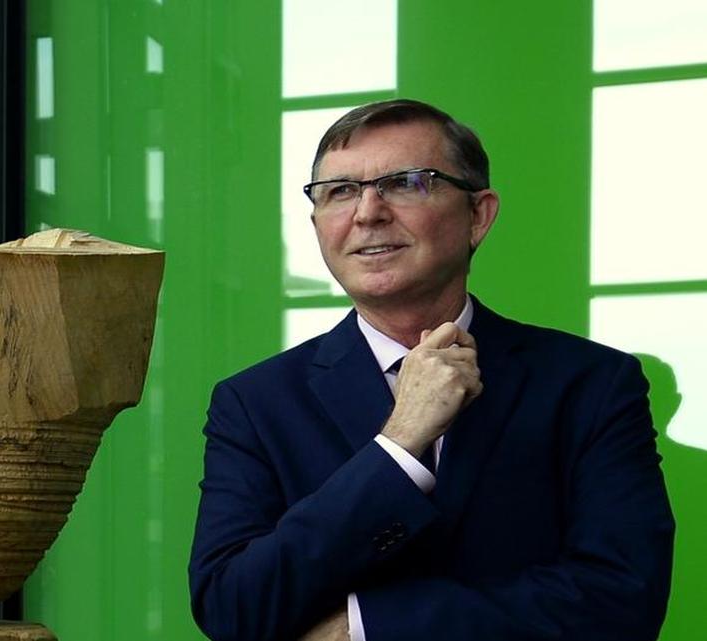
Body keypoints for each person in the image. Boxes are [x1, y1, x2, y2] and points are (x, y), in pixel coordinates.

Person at [188, 99, 674, 641]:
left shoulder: (592, 384)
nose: (367, 213)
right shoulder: (255, 402)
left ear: (478, 215)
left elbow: (624, 601)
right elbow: (232, 608)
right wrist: (398, 444)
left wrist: (365, 626)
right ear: (319, 223)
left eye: (406, 183)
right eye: (341, 191)